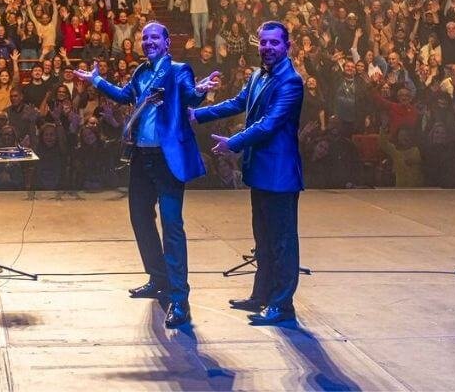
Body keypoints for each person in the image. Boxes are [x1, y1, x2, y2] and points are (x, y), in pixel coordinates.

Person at [74, 22, 221, 329]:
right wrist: (98, 81)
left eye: (155, 37)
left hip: (167, 159)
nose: (149, 41)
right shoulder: (141, 72)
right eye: (145, 38)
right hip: (142, 157)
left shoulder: (179, 70)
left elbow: (190, 97)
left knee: (171, 224)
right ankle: (158, 278)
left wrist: (202, 92)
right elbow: (126, 95)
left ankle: (180, 299)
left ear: (167, 43)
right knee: (140, 217)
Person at [193, 21, 305, 326]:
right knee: (264, 239)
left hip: (280, 174)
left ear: (287, 46)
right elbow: (237, 103)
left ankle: (282, 304)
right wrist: (196, 114)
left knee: (282, 241)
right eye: (264, 43)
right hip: (259, 172)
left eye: (274, 43)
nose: (268, 47)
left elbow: (269, 124)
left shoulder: (291, 82)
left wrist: (235, 142)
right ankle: (262, 295)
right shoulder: (257, 75)